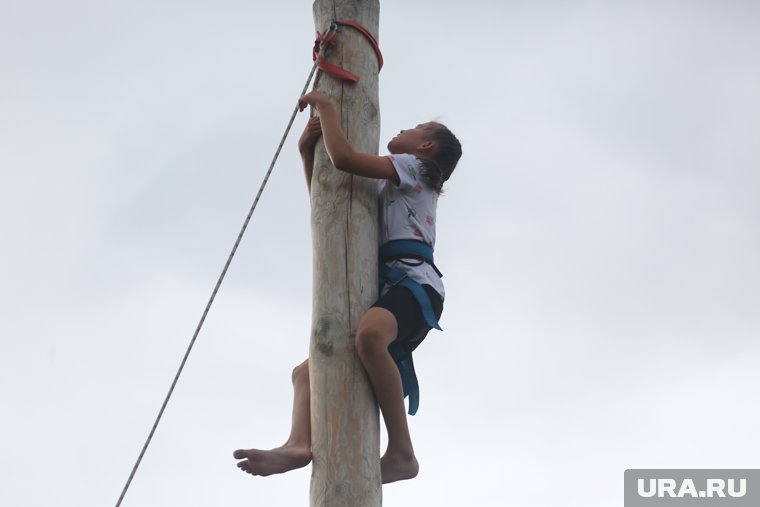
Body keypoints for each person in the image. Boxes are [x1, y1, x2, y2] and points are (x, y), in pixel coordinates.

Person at [233, 91, 462, 484]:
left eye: (415, 128)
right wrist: (308, 152)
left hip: (416, 284)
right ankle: (298, 443)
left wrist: (326, 104)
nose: (404, 128)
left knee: (370, 335)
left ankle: (403, 453)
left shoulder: (416, 168)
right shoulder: (393, 189)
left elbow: (344, 159)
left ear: (426, 146)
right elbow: (331, 205)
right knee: (307, 371)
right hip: (386, 287)